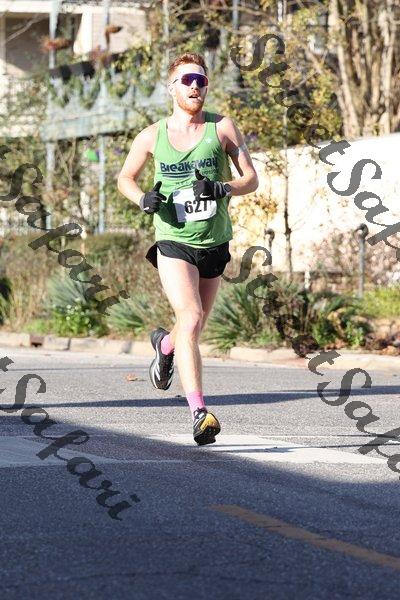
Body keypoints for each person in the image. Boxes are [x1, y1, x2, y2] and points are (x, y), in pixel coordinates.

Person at [117, 52, 259, 446]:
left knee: (191, 328)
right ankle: (199, 413)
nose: (195, 86)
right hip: (173, 239)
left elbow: (251, 179)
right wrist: (142, 199)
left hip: (214, 240)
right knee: (191, 317)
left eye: (201, 80)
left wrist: (222, 187)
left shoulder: (222, 127)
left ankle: (165, 346)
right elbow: (125, 178)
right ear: (172, 88)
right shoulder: (151, 136)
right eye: (187, 80)